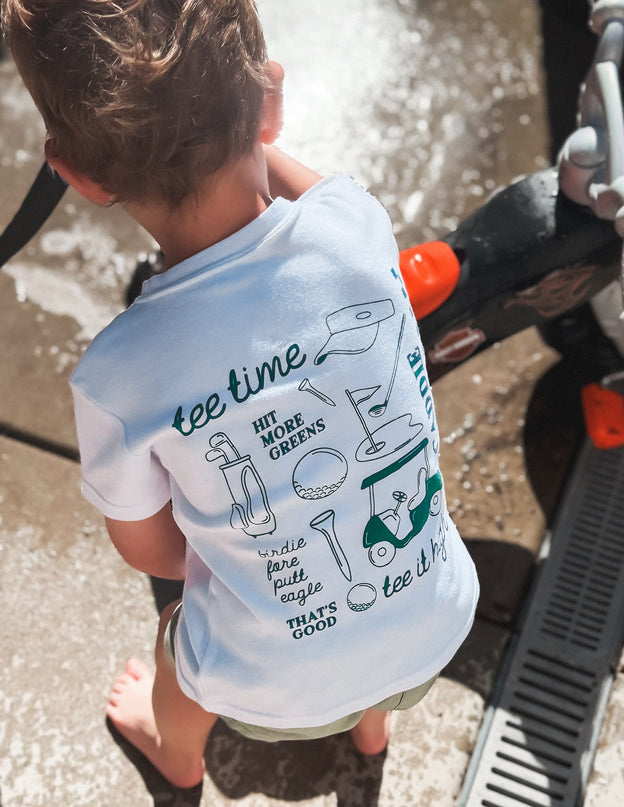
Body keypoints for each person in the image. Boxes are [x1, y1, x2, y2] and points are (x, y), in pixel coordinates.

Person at [1, 0, 479, 790]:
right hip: (434, 629)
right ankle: (370, 726)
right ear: (272, 103)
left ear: (78, 176)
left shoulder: (120, 373)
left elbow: (149, 550)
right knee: (368, 552)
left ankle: (175, 754)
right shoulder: (356, 225)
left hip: (269, 696)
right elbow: (318, 193)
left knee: (172, 636)